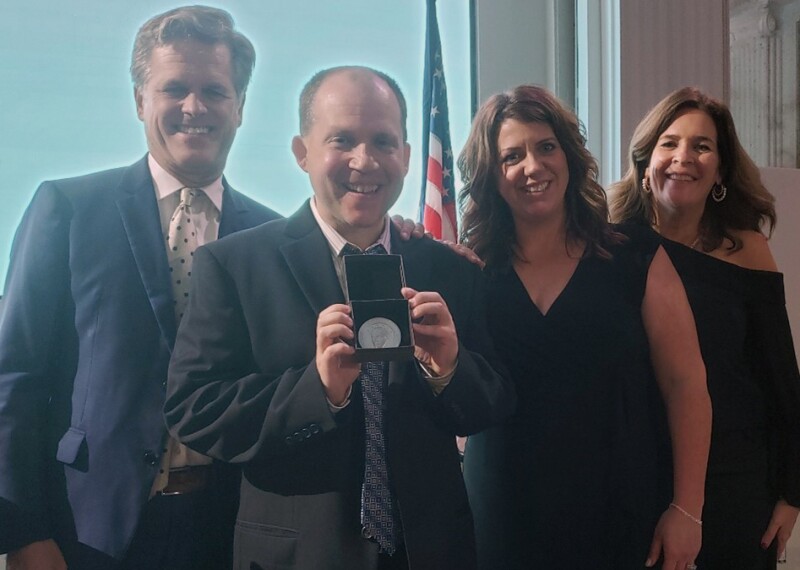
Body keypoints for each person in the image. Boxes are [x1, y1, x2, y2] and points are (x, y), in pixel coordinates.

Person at [163, 65, 515, 570]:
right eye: (342, 139)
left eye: (383, 142)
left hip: (433, 551)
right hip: (295, 555)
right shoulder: (236, 265)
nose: (364, 160)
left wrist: (449, 369)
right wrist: (317, 390)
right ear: (302, 153)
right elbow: (193, 408)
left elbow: (494, 403)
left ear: (408, 157)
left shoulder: (449, 271)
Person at [0, 7, 283, 570]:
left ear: (241, 107)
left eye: (215, 91)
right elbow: (14, 377)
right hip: (85, 533)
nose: (194, 107)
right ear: (139, 101)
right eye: (173, 88)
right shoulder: (69, 209)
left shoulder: (274, 240)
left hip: (229, 535)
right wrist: (21, 534)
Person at [457, 84, 712, 569]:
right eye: (512, 155)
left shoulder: (634, 254)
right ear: (493, 175)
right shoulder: (471, 271)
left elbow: (686, 385)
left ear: (570, 156)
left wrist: (688, 509)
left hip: (621, 514)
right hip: (498, 519)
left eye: (546, 146)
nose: (533, 166)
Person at [609, 86, 800, 569]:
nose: (683, 158)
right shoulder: (611, 248)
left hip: (737, 481)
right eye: (669, 143)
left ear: (720, 169)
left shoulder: (749, 250)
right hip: (635, 472)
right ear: (645, 161)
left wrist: (792, 494)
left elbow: (781, 380)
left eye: (702, 146)